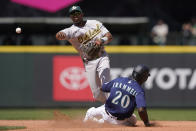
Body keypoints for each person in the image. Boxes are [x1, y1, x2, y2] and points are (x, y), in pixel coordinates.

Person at [56, 6, 112, 102]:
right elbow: (61, 34)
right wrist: (60, 34)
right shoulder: (71, 30)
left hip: (102, 56)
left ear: (82, 14)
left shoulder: (95, 23)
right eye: (72, 14)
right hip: (89, 62)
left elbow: (109, 36)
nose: (75, 16)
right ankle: (110, 109)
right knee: (97, 94)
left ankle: (116, 111)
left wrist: (102, 40)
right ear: (70, 17)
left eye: (77, 13)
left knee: (106, 83)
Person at [83, 64, 152, 127]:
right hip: (121, 121)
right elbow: (141, 110)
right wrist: (146, 123)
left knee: (90, 111)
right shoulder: (139, 91)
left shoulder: (120, 80)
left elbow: (103, 88)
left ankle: (97, 123)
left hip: (106, 113)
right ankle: (107, 123)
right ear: (144, 77)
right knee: (134, 120)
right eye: (146, 76)